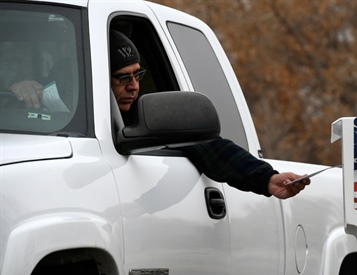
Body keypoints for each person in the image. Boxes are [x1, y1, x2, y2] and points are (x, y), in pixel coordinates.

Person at [10, 30, 310, 199]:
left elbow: (207, 144)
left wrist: (266, 179)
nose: (135, 86)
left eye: (137, 74)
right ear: (86, 81)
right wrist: (16, 97)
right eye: (122, 78)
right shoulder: (29, 107)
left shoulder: (143, 120)